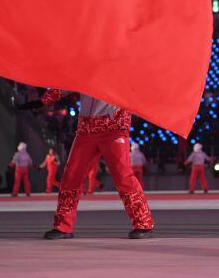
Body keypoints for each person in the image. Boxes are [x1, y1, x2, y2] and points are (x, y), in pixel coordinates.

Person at [20, 90, 154, 240]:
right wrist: (43, 101)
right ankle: (63, 226)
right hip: (86, 128)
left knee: (123, 176)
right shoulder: (83, 67)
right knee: (71, 176)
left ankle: (143, 223)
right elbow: (66, 84)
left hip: (115, 125)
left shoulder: (122, 68)